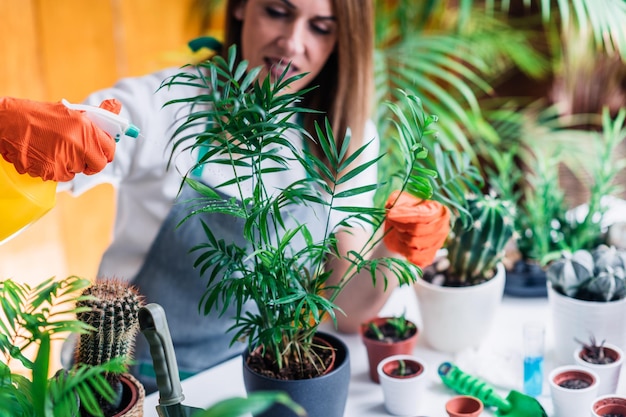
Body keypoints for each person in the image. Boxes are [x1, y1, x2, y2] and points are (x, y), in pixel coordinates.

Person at [1, 0, 432, 393]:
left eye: (321, 27)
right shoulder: (168, 105)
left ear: (343, 41)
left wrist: (396, 251)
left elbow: (347, 308)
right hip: (119, 383)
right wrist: (14, 138)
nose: (293, 42)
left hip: (249, 380)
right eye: (278, 11)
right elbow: (73, 140)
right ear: (243, 6)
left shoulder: (345, 136)